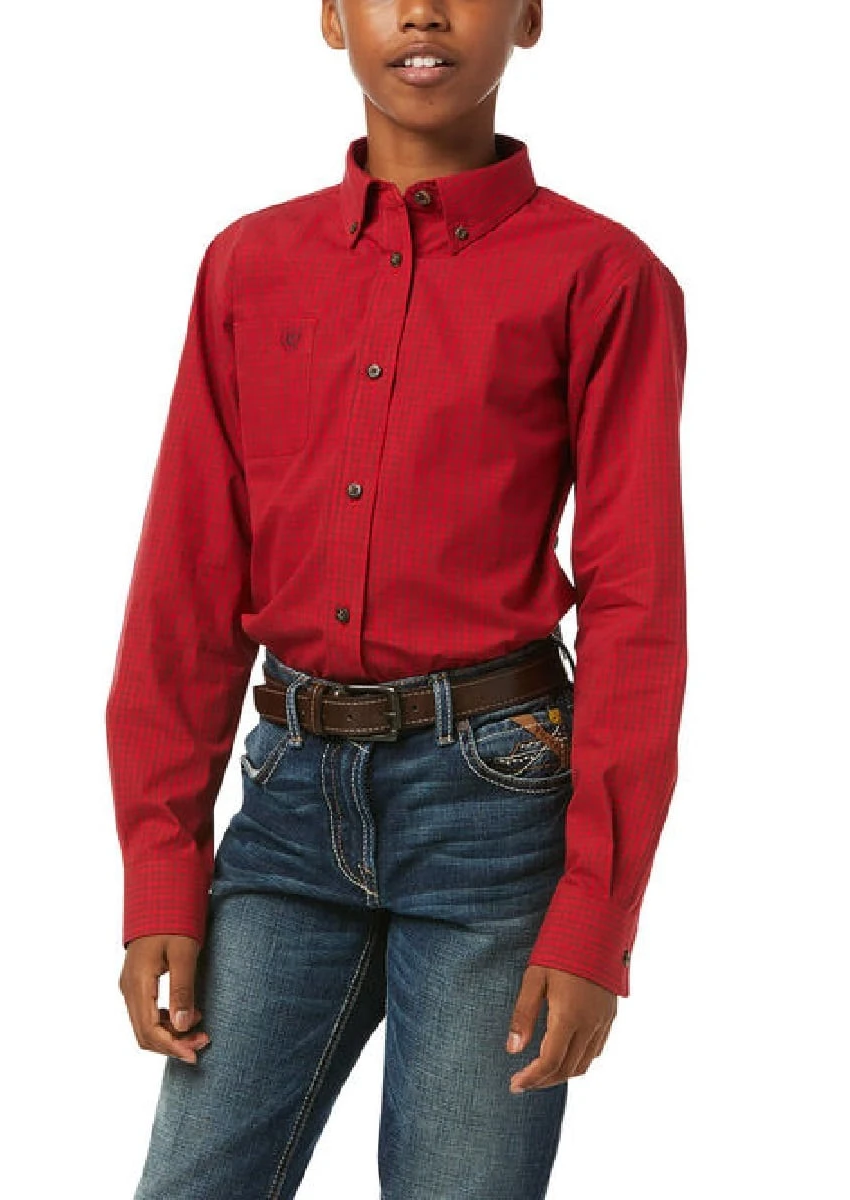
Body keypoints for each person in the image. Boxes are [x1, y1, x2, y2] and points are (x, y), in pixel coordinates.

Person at [105, 2, 688, 1196]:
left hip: (495, 812)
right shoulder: (248, 264)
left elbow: (637, 602)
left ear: (528, 16)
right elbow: (187, 573)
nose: (422, 10)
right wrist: (161, 865)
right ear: (332, 17)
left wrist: (594, 915)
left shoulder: (601, 276)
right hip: (285, 809)